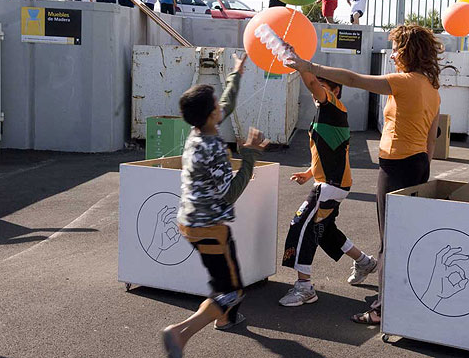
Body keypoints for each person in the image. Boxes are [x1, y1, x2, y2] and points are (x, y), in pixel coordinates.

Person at [284, 24, 442, 325]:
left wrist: (308, 66)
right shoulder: (432, 89)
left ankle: (383, 308)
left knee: (389, 240)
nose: (393, 54)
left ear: (409, 51)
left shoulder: (403, 81)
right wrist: (422, 172)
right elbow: (431, 140)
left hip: (397, 166)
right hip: (418, 163)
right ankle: (402, 297)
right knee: (405, 236)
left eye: (396, 48)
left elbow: (355, 79)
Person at [162, 53, 269, 358]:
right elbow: (230, 193)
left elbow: (226, 104)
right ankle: (181, 332)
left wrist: (236, 73)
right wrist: (249, 154)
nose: (221, 110)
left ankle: (226, 319)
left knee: (224, 276)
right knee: (231, 291)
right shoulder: (214, 149)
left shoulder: (197, 134)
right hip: (210, 228)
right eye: (216, 109)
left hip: (190, 222)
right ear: (210, 117)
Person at [279, 70, 377, 307]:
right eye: (318, 87)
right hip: (331, 182)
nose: (316, 91)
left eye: (322, 87)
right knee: (325, 231)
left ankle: (304, 287)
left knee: (300, 225)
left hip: (331, 184)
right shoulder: (325, 113)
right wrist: (308, 172)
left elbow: (311, 81)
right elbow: (328, 152)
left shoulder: (333, 106)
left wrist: (302, 65)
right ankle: (365, 262)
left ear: (335, 91)